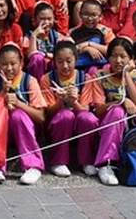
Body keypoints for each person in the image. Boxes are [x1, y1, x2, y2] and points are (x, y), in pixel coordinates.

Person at [75, 37, 136, 185]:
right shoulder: (99, 76)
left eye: (123, 56)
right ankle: (105, 164)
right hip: (105, 122)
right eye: (114, 56)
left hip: (130, 124)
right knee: (116, 111)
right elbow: (97, 109)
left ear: (131, 59)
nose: (118, 60)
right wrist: (121, 101)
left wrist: (126, 75)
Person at [0, 43, 48, 186]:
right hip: (2, 130)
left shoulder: (30, 81)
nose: (9, 68)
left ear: (21, 63)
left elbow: (41, 117)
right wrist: (2, 95)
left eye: (13, 63)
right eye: (4, 64)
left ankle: (33, 165)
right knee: (1, 117)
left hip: (26, 129)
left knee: (17, 115)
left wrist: (19, 104)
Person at [40, 40, 87, 178]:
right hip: (57, 123)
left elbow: (86, 110)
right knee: (66, 115)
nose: (65, 66)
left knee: (87, 119)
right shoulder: (47, 79)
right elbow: (48, 113)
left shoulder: (84, 77)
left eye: (69, 61)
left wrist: (75, 101)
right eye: (60, 62)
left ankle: (87, 161)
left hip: (78, 119)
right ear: (54, 62)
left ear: (76, 59)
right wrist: (60, 100)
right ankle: (58, 161)